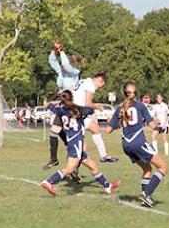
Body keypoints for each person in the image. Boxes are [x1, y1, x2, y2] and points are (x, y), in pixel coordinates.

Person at [41, 90, 121, 196]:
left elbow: (49, 106)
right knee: (69, 168)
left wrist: (57, 102)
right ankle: (48, 182)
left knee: (92, 165)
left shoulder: (60, 110)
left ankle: (107, 186)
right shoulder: (78, 109)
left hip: (71, 141)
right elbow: (90, 110)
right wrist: (95, 106)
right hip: (76, 142)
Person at [106, 81, 167, 208]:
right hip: (138, 142)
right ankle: (146, 194)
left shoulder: (119, 109)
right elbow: (151, 125)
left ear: (124, 93)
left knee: (147, 169)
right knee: (162, 167)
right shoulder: (140, 106)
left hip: (126, 146)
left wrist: (115, 122)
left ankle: (146, 198)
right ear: (136, 93)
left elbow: (108, 130)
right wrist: (159, 127)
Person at [43, 40, 84, 170]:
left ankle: (74, 166)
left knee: (67, 135)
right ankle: (55, 159)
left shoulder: (74, 72)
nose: (60, 64)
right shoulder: (62, 72)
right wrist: (54, 50)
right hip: (63, 104)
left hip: (72, 106)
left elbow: (65, 65)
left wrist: (61, 51)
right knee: (54, 132)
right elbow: (51, 61)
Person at [72, 71, 118, 163]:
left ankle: (103, 156)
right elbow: (88, 103)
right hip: (76, 115)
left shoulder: (84, 81)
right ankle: (73, 169)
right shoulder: (91, 85)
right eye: (101, 85)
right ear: (100, 80)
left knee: (95, 129)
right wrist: (97, 107)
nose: (100, 88)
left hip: (76, 112)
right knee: (81, 146)